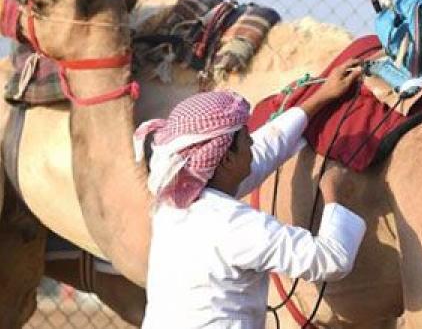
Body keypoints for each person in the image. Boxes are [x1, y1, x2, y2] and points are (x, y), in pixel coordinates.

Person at [135, 59, 367, 329]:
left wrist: (321, 97)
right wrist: (334, 196)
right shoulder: (234, 225)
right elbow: (329, 259)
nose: (253, 142)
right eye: (246, 138)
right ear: (225, 160)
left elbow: (266, 149)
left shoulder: (176, 204)